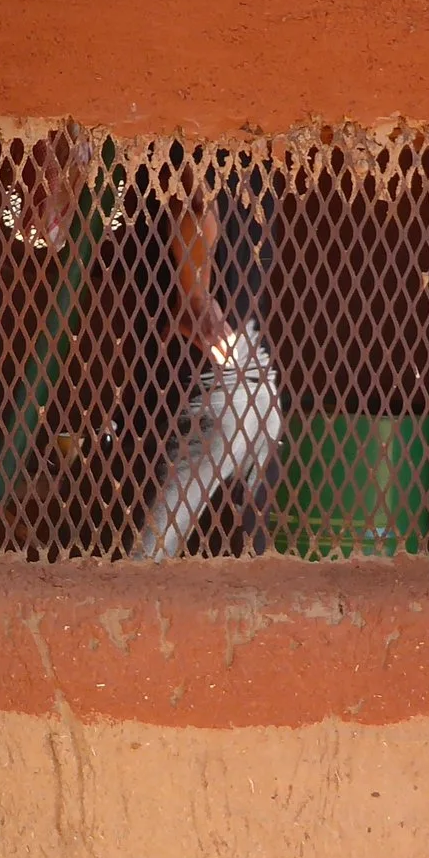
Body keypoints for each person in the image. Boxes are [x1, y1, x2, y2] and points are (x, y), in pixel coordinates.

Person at [131, 153, 282, 560]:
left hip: (207, 373)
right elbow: (196, 203)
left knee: (150, 554)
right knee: (242, 549)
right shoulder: (250, 153)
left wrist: (196, 299)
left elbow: (196, 204)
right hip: (245, 380)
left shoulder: (212, 146)